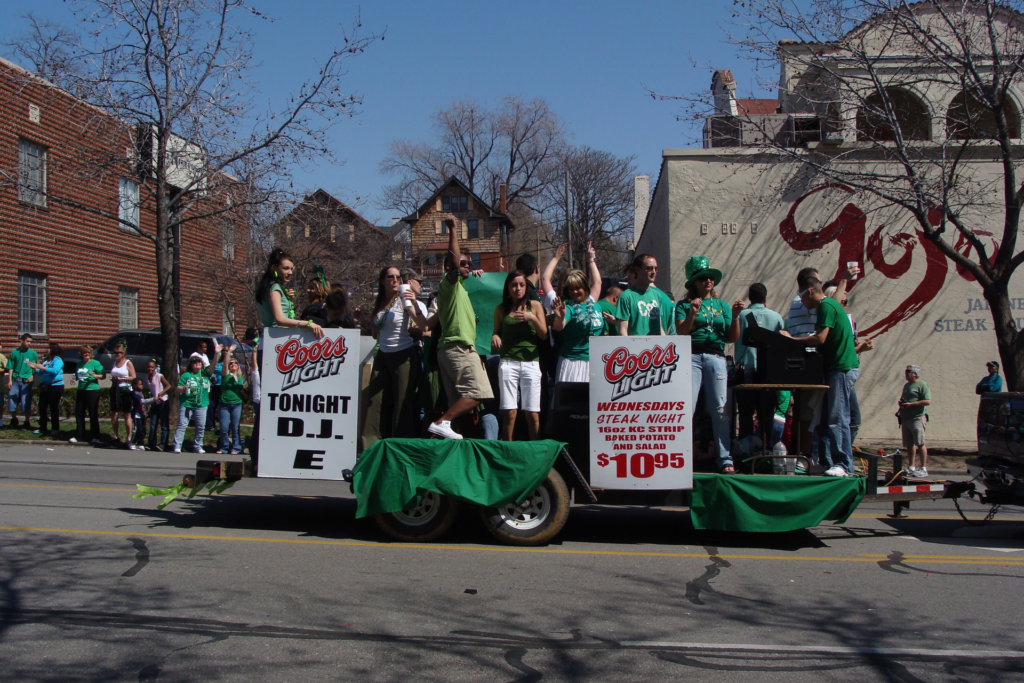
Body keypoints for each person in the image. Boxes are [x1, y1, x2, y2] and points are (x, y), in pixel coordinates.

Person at [253, 248, 325, 466]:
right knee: (273, 403)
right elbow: (279, 319)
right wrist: (308, 323)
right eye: (285, 268)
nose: (289, 272)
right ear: (273, 268)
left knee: (277, 403)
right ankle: (258, 450)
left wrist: (287, 297)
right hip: (274, 347)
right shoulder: (273, 287)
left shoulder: (275, 288)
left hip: (276, 347)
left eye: (292, 269)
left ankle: (265, 449)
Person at [786, 276, 860, 477]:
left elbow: (820, 338)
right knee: (826, 418)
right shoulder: (829, 304)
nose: (802, 303)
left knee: (838, 418)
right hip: (834, 368)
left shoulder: (825, 307)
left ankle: (844, 464)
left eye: (801, 297)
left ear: (809, 291)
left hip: (842, 369)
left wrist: (792, 340)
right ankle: (827, 462)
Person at [427, 215, 493, 439]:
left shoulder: (461, 289)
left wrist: (473, 274)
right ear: (449, 267)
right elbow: (455, 264)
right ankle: (441, 422)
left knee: (459, 406)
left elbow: (463, 273)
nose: (468, 266)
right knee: (479, 393)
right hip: (458, 348)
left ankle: (447, 435)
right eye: (465, 263)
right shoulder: (448, 284)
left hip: (451, 350)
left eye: (470, 264)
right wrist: (453, 229)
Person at [675, 256, 742, 473]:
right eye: (703, 277)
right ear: (694, 282)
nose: (708, 281)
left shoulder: (722, 305)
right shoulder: (683, 305)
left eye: (711, 277)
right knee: (687, 408)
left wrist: (736, 315)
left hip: (716, 356)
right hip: (692, 356)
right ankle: (681, 456)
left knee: (720, 409)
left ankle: (725, 459)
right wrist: (693, 313)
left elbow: (732, 337)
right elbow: (681, 333)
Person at [361, 265, 429, 449]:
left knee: (402, 405)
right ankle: (371, 448)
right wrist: (362, 320)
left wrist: (414, 303)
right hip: (383, 355)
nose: (394, 280)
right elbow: (377, 331)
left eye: (397, 277)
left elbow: (424, 328)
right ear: (382, 280)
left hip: (404, 356)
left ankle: (401, 448)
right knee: (374, 402)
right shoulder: (381, 303)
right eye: (390, 277)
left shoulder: (403, 300)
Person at [492, 269, 549, 440]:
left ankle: (535, 452)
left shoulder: (535, 306)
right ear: (508, 288)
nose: (518, 288)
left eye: (522, 285)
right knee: (509, 412)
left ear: (526, 287)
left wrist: (531, 318)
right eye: (514, 285)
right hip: (508, 362)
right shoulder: (501, 309)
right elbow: (496, 332)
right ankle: (507, 451)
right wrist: (495, 337)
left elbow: (544, 335)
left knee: (532, 413)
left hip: (531, 363)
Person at [733, 283, 788, 440]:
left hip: (745, 371)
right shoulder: (776, 317)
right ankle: (766, 449)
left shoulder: (742, 315)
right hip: (767, 372)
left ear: (749, 297)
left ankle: (746, 448)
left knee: (745, 414)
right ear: (765, 297)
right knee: (766, 415)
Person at [543, 242, 603, 382]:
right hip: (573, 363)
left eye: (578, 287)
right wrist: (560, 317)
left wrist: (591, 260)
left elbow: (598, 283)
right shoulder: (567, 306)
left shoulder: (593, 303)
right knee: (571, 402)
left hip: (594, 361)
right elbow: (559, 325)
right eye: (571, 288)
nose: (575, 291)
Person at [615, 254, 674, 335]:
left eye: (656, 268)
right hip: (636, 346)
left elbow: (660, 328)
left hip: (655, 346)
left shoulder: (657, 295)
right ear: (637, 270)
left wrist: (664, 344)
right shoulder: (626, 297)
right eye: (649, 268)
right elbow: (622, 330)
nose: (653, 272)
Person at [172, 355, 212, 454]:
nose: (197, 363)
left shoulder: (205, 374)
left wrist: (216, 354)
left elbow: (214, 365)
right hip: (187, 404)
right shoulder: (186, 375)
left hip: (201, 404)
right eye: (194, 362)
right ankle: (177, 445)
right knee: (182, 424)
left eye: (199, 362)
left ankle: (198, 446)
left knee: (201, 426)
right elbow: (177, 388)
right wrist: (184, 388)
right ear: (191, 365)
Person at [899, 365, 932, 478]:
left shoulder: (922, 385)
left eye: (908, 371)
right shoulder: (907, 386)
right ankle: (911, 466)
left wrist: (912, 405)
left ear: (914, 373)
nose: (906, 373)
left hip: (917, 417)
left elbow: (927, 401)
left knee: (920, 442)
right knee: (909, 444)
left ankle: (923, 468)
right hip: (906, 418)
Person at [27, 342, 64, 437]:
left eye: (48, 348)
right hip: (46, 386)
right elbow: (41, 372)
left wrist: (42, 367)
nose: (47, 350)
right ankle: (43, 426)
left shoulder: (57, 360)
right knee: (42, 406)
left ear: (53, 350)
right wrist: (35, 368)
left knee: (53, 407)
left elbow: (54, 371)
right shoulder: (46, 360)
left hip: (55, 386)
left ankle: (55, 428)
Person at [69, 346, 104, 444]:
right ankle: (80, 436)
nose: (86, 354)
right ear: (81, 354)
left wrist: (95, 376)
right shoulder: (79, 364)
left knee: (93, 414)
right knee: (79, 414)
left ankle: (95, 436)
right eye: (84, 353)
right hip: (81, 390)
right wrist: (74, 379)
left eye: (88, 352)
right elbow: (76, 375)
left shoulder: (95, 363)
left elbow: (103, 375)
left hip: (92, 390)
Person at [216, 345, 245, 455]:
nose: (233, 364)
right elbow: (225, 363)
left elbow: (241, 391)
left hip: (237, 404)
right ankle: (224, 447)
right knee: (224, 428)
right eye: (231, 363)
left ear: (238, 366)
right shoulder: (226, 375)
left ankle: (236, 447)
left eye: (235, 363)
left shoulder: (240, 377)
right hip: (224, 405)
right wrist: (229, 352)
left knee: (235, 427)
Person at [6, 334, 38, 430]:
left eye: (30, 342)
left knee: (25, 401)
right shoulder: (14, 353)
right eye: (27, 341)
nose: (29, 343)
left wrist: (32, 376)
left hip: (25, 381)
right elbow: (10, 367)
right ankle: (14, 419)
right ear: (22, 341)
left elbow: (35, 367)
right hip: (15, 380)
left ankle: (27, 421)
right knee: (12, 400)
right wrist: (9, 381)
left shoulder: (33, 354)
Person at [109, 343, 137, 447]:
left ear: (123, 353)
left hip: (125, 389)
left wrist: (123, 379)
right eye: (115, 353)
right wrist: (113, 379)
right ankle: (115, 435)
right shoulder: (115, 363)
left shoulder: (128, 363)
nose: (116, 355)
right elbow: (113, 374)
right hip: (115, 389)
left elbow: (133, 377)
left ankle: (128, 438)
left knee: (126, 414)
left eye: (119, 353)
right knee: (114, 413)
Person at [145, 359, 171, 451]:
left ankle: (163, 444)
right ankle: (151, 443)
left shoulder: (159, 376)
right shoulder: (147, 378)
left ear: (155, 368)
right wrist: (152, 399)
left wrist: (161, 393)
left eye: (152, 367)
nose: (150, 369)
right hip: (155, 403)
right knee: (153, 424)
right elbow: (151, 390)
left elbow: (168, 385)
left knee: (164, 424)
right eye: (148, 367)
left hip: (163, 401)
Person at [128, 378, 151, 450]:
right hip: (137, 414)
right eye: (140, 384)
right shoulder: (135, 393)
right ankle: (132, 442)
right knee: (137, 429)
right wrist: (153, 399)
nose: (142, 386)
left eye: (142, 384)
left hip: (142, 414)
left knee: (143, 430)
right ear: (135, 385)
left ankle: (140, 443)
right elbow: (141, 401)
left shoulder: (141, 393)